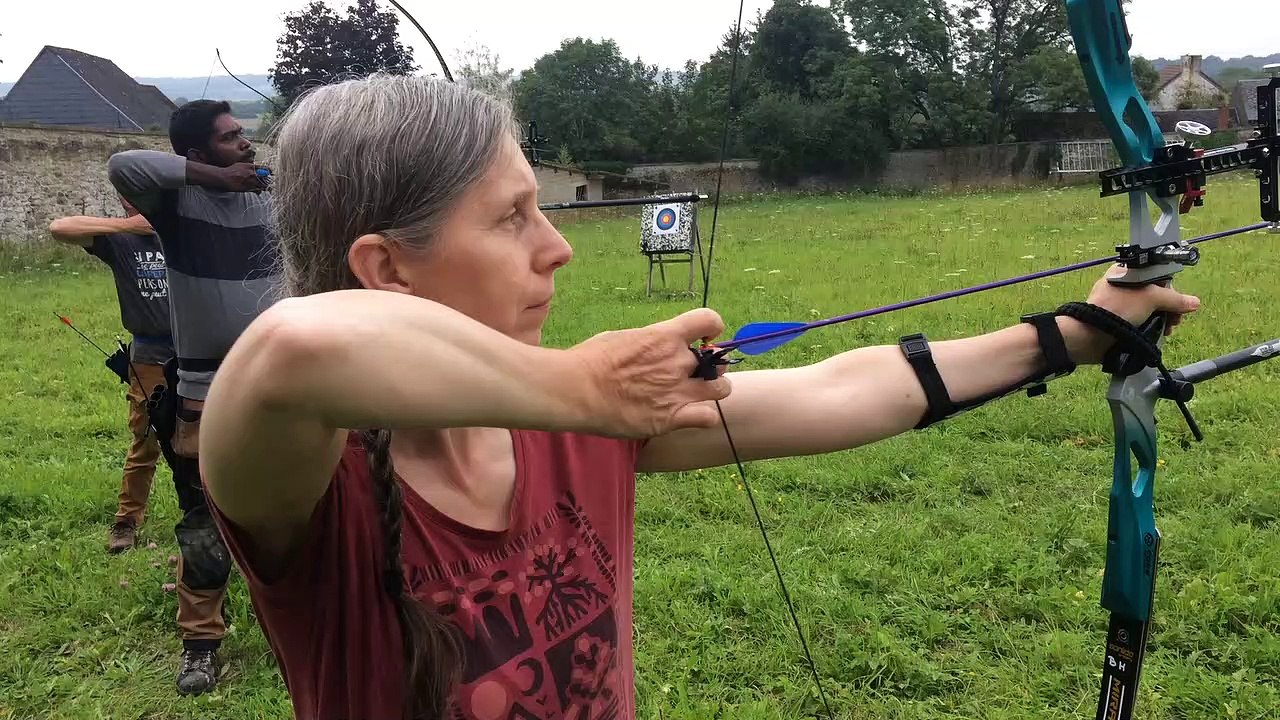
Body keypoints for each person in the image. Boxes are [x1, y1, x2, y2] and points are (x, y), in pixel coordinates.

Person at [198, 76, 1202, 720]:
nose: (556, 246)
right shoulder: (306, 486)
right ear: (388, 268)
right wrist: (580, 388)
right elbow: (296, 345)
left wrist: (1070, 334)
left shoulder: (586, 430)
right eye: (511, 219)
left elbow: (841, 389)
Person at [107, 99, 277, 696]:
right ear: (199, 155)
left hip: (283, 388)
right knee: (205, 523)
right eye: (233, 140)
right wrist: (216, 178)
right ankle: (200, 645)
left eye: (244, 137)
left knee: (302, 511)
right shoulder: (178, 203)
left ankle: (299, 625)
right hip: (207, 391)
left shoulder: (273, 199)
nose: (248, 146)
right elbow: (125, 165)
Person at [48, 200, 174, 554]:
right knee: (146, 440)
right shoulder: (121, 241)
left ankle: (209, 517)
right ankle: (126, 522)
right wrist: (125, 225)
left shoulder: (184, 232)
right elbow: (60, 228)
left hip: (198, 353)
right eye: (131, 195)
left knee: (205, 440)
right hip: (150, 355)